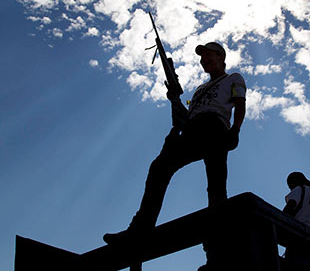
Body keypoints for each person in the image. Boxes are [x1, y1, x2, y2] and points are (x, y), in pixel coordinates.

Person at [104, 42, 246, 244]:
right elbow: (188, 115)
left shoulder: (234, 78)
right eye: (201, 57)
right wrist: (174, 99)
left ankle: (219, 245)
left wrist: (236, 129)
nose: (203, 60)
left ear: (221, 56)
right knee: (159, 168)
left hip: (214, 128)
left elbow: (240, 103)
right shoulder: (199, 90)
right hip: (193, 128)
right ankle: (140, 229)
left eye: (208, 55)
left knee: (216, 184)